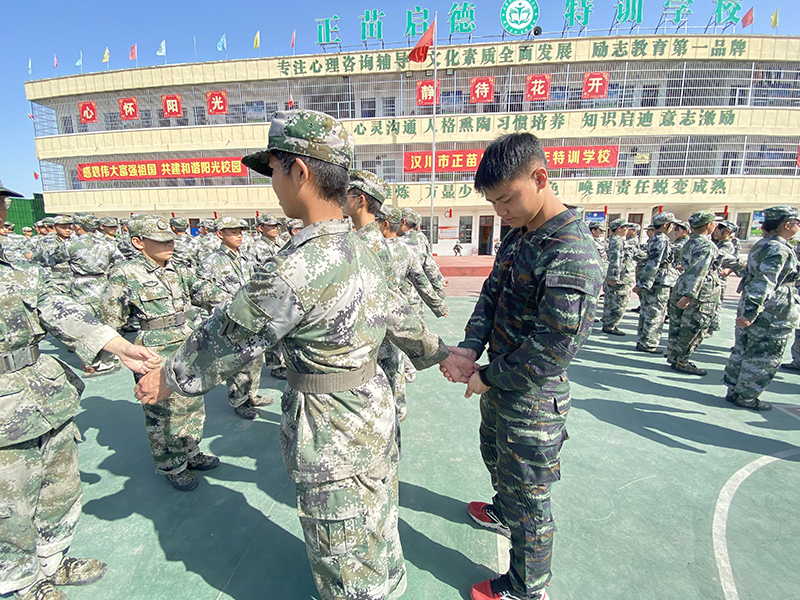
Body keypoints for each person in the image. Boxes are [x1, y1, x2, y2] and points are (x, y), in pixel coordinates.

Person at [134, 109, 476, 600]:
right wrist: (442, 353)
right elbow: (399, 316)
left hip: (330, 429)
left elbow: (227, 338)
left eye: (273, 169)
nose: (272, 182)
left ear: (300, 171)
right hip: (374, 413)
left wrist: (168, 377)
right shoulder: (367, 249)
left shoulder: (295, 267)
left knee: (344, 555)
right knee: (377, 522)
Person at [443, 133, 603, 600]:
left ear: (540, 178)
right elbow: (491, 294)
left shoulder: (571, 251)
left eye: (507, 198)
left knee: (530, 498)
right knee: (496, 458)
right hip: (499, 382)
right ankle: (502, 510)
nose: (501, 211)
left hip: (532, 397)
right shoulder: (520, 234)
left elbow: (553, 348)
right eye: (493, 202)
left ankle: (525, 588)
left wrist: (486, 376)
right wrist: (470, 347)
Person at [0, 183, 159, 600]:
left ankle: (52, 561)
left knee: (59, 487)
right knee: (9, 502)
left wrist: (119, 346)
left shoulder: (17, 271)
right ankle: (22, 581)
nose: (2, 209)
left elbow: (61, 311)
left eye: (1, 202)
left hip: (42, 397)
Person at [99, 214, 222, 490]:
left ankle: (191, 451)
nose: (169, 244)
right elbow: (109, 320)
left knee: (192, 400)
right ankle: (172, 465)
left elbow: (205, 292)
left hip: (186, 343)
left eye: (170, 239)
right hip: (153, 349)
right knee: (163, 411)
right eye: (160, 240)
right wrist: (121, 351)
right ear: (138, 242)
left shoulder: (177, 269)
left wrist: (235, 301)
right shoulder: (125, 273)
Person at [723, 206, 800, 411]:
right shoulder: (778, 249)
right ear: (787, 224)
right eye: (797, 223)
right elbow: (765, 281)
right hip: (771, 311)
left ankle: (734, 389)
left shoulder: (764, 243)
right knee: (764, 355)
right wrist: (752, 311)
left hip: (756, 305)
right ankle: (747, 396)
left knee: (743, 349)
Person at [198, 216, 272, 418]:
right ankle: (239, 400)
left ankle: (251, 394)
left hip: (251, 316)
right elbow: (202, 292)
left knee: (256, 357)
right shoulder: (211, 261)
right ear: (220, 234)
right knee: (238, 362)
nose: (239, 236)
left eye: (240, 232)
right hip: (230, 319)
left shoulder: (246, 258)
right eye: (233, 232)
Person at [665, 211, 721, 376]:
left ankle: (674, 356)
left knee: (677, 324)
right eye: (714, 223)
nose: (715, 226)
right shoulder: (706, 245)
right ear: (708, 225)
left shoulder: (689, 242)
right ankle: (682, 361)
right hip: (698, 292)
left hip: (682, 285)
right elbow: (698, 271)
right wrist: (689, 294)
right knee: (693, 327)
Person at [632, 212, 680, 353]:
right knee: (656, 312)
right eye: (672, 224)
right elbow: (654, 263)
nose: (673, 227)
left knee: (647, 311)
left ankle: (643, 339)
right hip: (659, 280)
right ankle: (648, 342)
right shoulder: (661, 240)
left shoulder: (654, 238)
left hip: (653, 279)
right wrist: (643, 283)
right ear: (665, 225)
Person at [601, 218, 633, 335]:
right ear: (619, 228)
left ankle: (608, 323)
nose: (627, 230)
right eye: (625, 228)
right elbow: (616, 259)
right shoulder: (618, 241)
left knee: (611, 300)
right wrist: (614, 277)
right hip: (620, 278)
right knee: (618, 302)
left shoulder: (613, 240)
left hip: (617, 276)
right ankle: (610, 325)